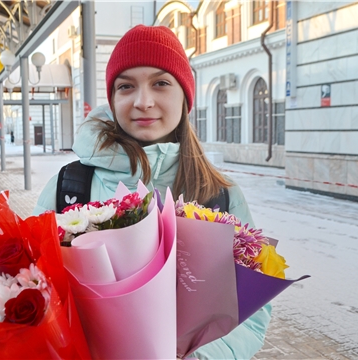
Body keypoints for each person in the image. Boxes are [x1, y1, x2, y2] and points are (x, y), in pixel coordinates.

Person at [33, 25, 271, 359]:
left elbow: (250, 312)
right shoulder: (70, 187)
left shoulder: (219, 195)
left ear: (185, 97)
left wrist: (199, 357)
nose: (143, 102)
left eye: (160, 83)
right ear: (113, 99)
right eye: (126, 86)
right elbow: (31, 284)